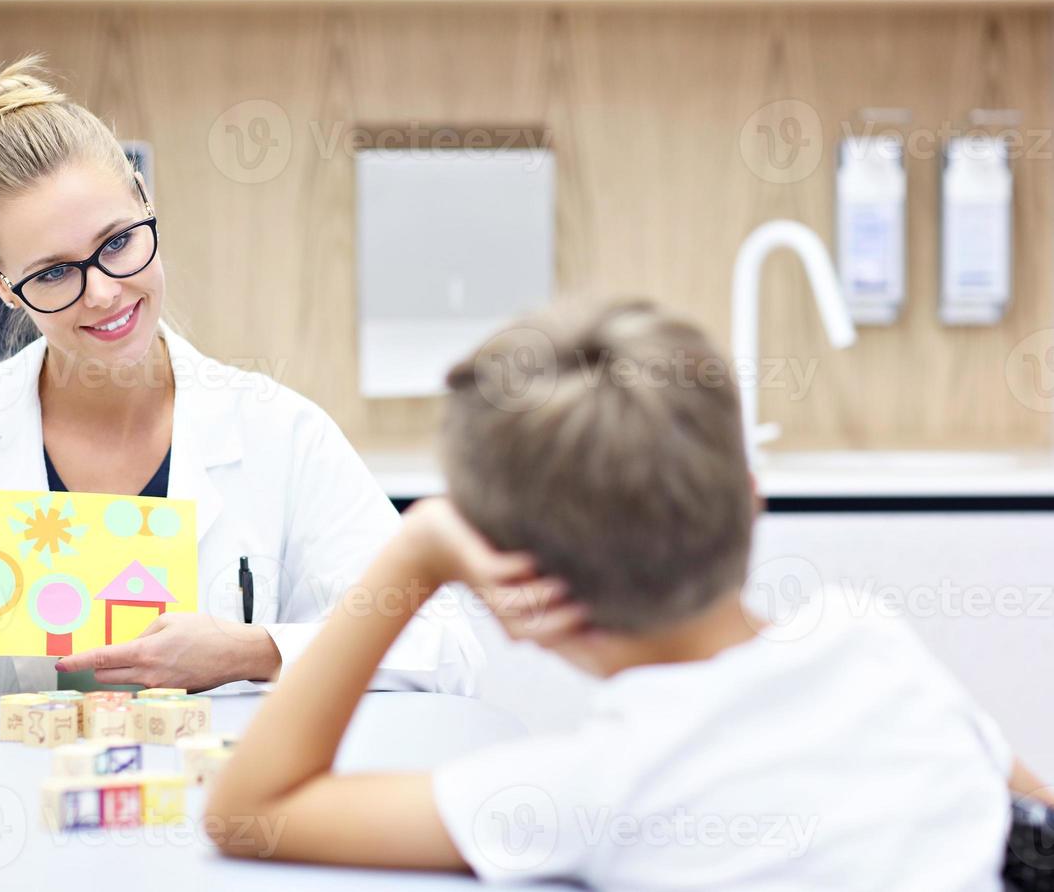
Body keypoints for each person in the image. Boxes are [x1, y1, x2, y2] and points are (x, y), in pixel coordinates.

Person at [0, 56, 482, 696]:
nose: (103, 292)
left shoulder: (280, 432)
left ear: (145, 201)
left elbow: (445, 647)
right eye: (53, 273)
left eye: (116, 243)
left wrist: (249, 650)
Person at [207, 299, 1030, 889]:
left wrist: (418, 550)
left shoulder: (596, 785)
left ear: (522, 595)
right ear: (749, 497)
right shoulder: (871, 642)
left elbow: (252, 808)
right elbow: (1026, 813)